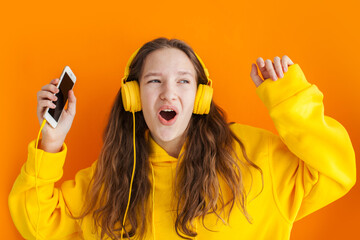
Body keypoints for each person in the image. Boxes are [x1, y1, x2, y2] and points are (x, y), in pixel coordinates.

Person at [9, 37, 356, 240]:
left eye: (184, 82)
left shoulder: (255, 156)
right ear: (133, 97)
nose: (168, 94)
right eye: (154, 81)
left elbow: (337, 169)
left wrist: (291, 101)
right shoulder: (112, 182)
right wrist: (50, 141)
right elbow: (36, 222)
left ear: (200, 98)